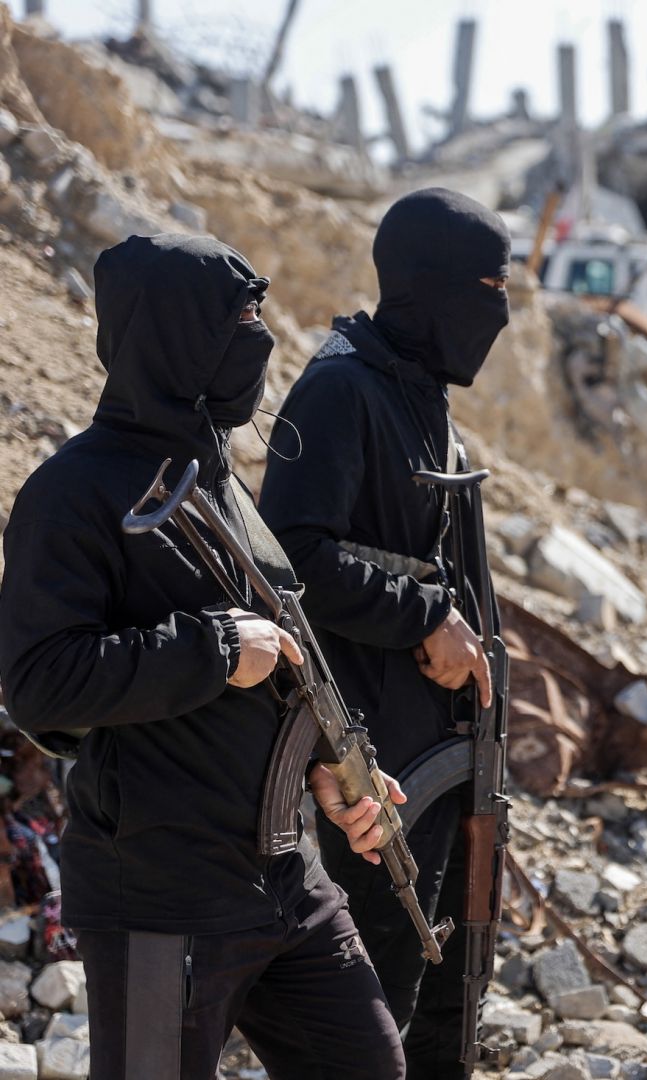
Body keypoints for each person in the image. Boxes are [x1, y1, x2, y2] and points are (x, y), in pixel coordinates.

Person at [0, 233, 406, 1080]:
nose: (259, 338)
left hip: (285, 879)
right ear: (180, 335)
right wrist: (212, 650)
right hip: (161, 893)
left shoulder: (217, 475)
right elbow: (39, 685)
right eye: (241, 319)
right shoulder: (72, 494)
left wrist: (330, 770)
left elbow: (285, 652)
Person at [259, 187, 510, 1078]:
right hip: (373, 764)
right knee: (376, 1004)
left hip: (442, 753)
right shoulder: (341, 390)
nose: (501, 309)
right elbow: (288, 559)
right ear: (430, 286)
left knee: (446, 987)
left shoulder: (416, 389)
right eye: (487, 285)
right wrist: (425, 619)